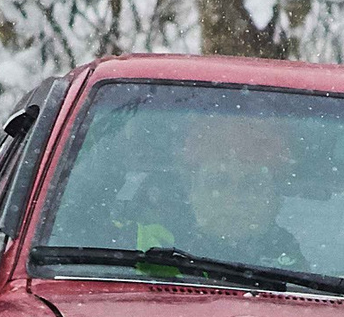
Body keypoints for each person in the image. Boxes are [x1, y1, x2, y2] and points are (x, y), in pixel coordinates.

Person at [130, 115, 310, 269]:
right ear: (192, 191)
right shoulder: (139, 246)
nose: (233, 198)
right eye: (218, 182)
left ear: (276, 200)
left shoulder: (300, 277)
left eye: (252, 185)